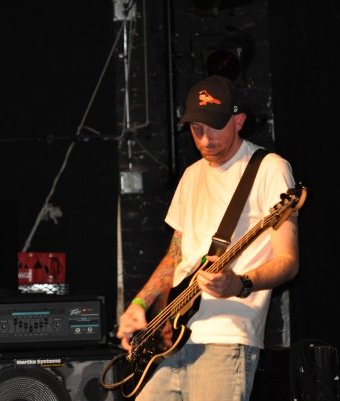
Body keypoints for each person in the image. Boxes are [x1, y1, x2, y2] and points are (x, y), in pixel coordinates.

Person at [116, 74, 299, 401]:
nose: (204, 138)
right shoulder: (191, 175)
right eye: (196, 128)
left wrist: (239, 283)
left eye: (214, 126)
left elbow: (288, 261)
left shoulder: (269, 168)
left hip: (226, 337)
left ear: (238, 121)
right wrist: (140, 304)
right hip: (171, 340)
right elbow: (175, 257)